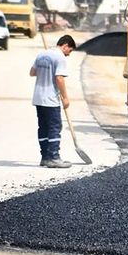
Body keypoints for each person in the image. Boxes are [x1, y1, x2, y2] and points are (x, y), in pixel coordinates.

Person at [30, 35, 76, 168]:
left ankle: (45, 157)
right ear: (65, 45)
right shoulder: (59, 57)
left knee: (43, 127)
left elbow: (32, 72)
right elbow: (59, 78)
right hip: (50, 99)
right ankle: (54, 157)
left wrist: (45, 70)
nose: (68, 54)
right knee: (55, 128)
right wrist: (65, 97)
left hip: (38, 98)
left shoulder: (42, 54)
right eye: (70, 51)